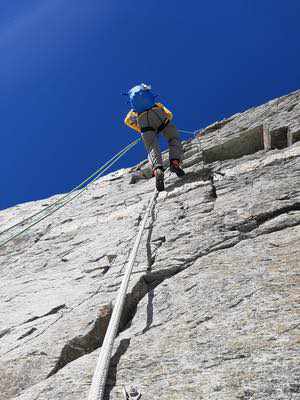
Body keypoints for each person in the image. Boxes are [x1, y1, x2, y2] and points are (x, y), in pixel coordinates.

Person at [124, 83, 185, 191]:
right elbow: (169, 114)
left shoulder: (134, 112)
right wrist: (163, 126)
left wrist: (141, 130)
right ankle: (175, 162)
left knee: (152, 146)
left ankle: (157, 169)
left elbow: (127, 121)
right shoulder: (157, 104)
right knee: (173, 138)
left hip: (143, 122)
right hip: (159, 116)